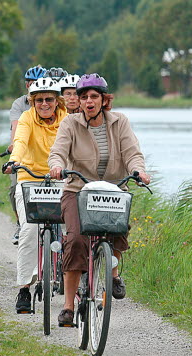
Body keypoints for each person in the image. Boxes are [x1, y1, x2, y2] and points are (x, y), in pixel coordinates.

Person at [48, 73, 151, 327]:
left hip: (113, 188)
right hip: (78, 189)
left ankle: (113, 274)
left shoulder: (120, 122)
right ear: (79, 102)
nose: (89, 101)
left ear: (104, 100)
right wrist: (57, 166)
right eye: (84, 97)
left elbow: (132, 153)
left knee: (118, 228)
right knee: (75, 240)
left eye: (94, 96)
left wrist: (139, 171)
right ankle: (69, 306)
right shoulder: (70, 123)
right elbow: (58, 151)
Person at [3, 77, 68, 313]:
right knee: (29, 230)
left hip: (60, 178)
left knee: (73, 229)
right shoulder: (27, 118)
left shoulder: (67, 120)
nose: (44, 104)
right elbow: (20, 141)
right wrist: (14, 161)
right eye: (39, 100)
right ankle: (23, 289)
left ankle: (76, 282)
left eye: (49, 99)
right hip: (29, 178)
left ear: (57, 101)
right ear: (32, 101)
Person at [7, 65, 47, 245]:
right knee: (14, 189)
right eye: (31, 83)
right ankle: (20, 223)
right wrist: (14, 147)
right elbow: (17, 127)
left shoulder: (52, 102)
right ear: (26, 85)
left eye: (37, 83)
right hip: (23, 153)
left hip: (46, 156)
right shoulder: (20, 104)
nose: (34, 86)